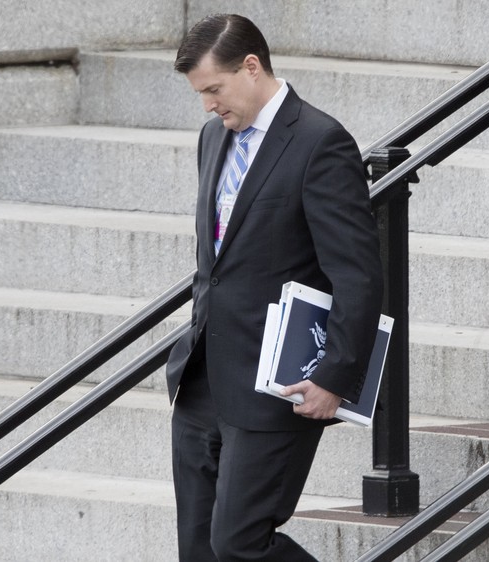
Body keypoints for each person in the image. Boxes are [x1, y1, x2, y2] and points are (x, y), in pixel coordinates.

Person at [166, 13, 384, 561]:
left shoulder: (320, 142)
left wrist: (335, 375)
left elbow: (357, 272)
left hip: (274, 390)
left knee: (238, 545)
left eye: (214, 89)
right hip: (201, 381)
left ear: (251, 66)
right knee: (198, 551)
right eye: (200, 94)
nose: (209, 105)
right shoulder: (213, 137)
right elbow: (214, 262)